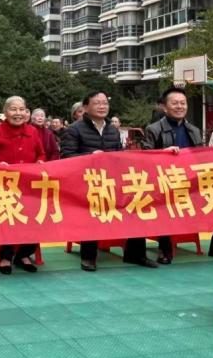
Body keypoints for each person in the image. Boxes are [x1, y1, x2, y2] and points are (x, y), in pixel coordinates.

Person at [61, 91, 157, 271]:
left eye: (105, 102)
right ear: (85, 107)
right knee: (92, 209)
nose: (102, 106)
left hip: (113, 182)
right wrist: (90, 156)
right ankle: (88, 257)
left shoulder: (113, 130)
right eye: (97, 103)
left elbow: (118, 155)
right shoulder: (74, 129)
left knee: (136, 204)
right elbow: (66, 156)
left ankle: (136, 254)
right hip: (87, 184)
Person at [0, 96, 44, 274]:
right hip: (5, 186)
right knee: (8, 220)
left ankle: (24, 254)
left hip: (30, 186)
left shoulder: (33, 132)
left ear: (27, 112)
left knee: (33, 219)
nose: (18, 113)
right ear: (6, 112)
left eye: (22, 109)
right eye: (13, 109)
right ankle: (5, 256)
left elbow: (41, 154)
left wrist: (40, 162)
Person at [142, 87, 204, 265]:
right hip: (162, 181)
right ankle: (165, 248)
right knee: (164, 207)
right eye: (175, 103)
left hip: (189, 180)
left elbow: (202, 155)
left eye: (183, 103)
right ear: (164, 107)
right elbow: (144, 156)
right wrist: (163, 153)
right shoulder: (153, 129)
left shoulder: (194, 130)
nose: (180, 106)